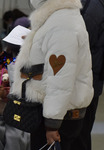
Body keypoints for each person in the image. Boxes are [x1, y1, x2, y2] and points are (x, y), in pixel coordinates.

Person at [10, 0, 94, 150]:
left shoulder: (63, 23)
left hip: (60, 117)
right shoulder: (59, 17)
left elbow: (61, 79)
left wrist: (52, 123)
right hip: (56, 111)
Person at [72, 0, 104, 150]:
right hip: (87, 78)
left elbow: (81, 41)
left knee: (79, 132)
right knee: (80, 132)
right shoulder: (95, 7)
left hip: (86, 79)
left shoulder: (93, 8)